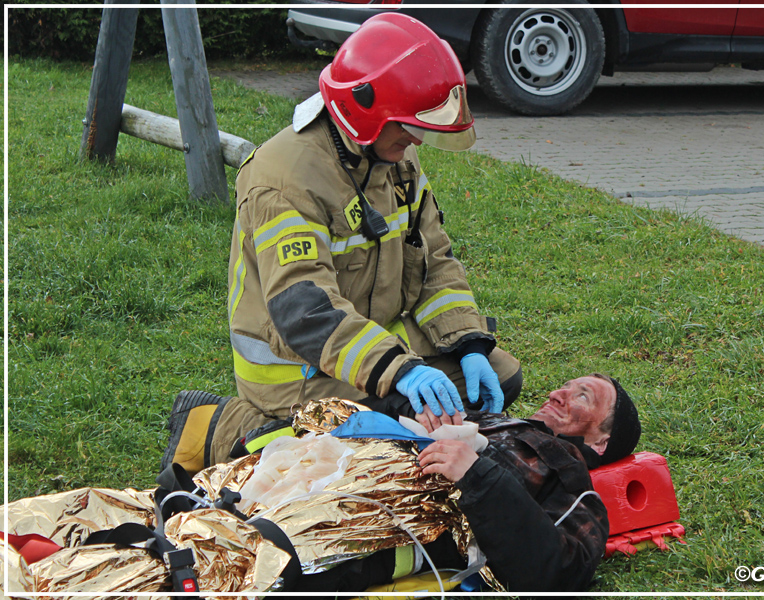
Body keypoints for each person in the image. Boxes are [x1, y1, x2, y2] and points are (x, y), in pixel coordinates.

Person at [161, 13, 522, 474]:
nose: (417, 138)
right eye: (407, 125)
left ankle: (376, 407)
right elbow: (307, 314)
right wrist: (402, 372)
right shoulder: (284, 178)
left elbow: (435, 263)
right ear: (364, 108)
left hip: (366, 346)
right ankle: (223, 427)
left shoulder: (394, 157)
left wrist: (468, 343)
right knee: (395, 425)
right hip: (297, 369)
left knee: (500, 380)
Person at [293, 373, 642, 593]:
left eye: (582, 396)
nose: (556, 393)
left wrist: (476, 473)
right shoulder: (498, 420)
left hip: (367, 530)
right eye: (566, 385)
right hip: (319, 470)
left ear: (600, 442)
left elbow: (561, 571)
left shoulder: (568, 474)